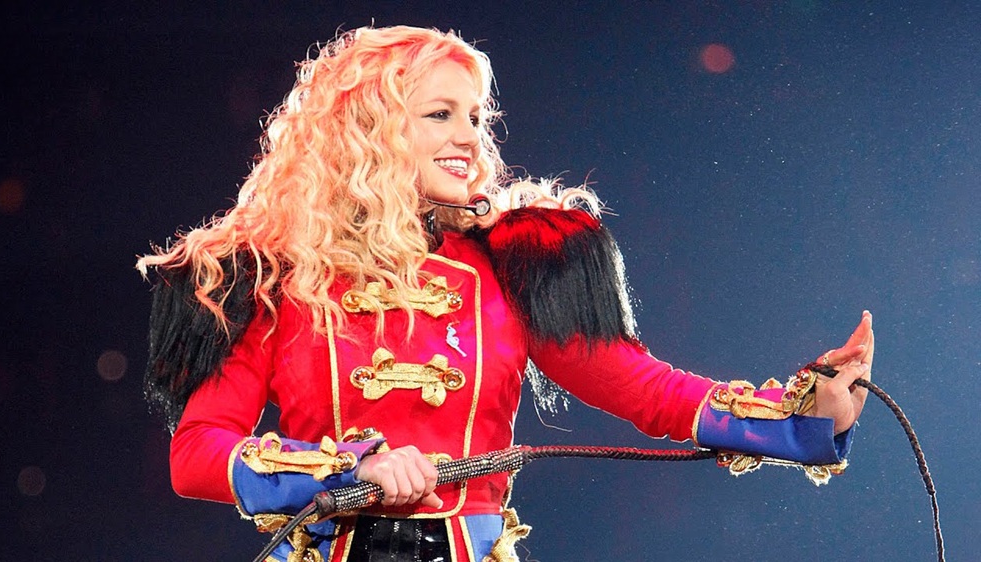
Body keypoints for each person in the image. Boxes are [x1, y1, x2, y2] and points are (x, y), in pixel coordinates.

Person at [138, 25, 874, 562]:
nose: (469, 137)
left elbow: (643, 388)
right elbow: (196, 453)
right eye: (439, 114)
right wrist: (347, 470)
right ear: (368, 131)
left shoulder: (513, 264)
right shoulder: (268, 278)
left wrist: (801, 419)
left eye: (474, 116)